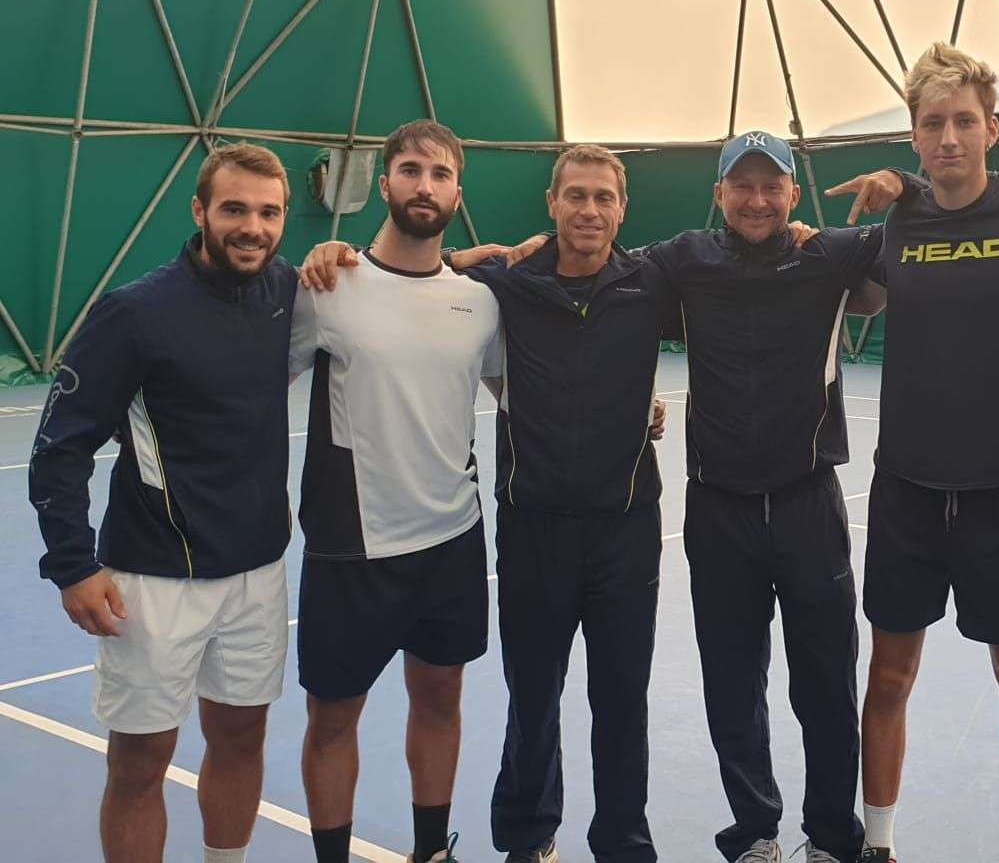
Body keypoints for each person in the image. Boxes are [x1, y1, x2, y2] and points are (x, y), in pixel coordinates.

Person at [498, 130, 890, 863]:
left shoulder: (828, 255)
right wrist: (515, 250)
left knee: (827, 689)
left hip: (810, 504)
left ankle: (833, 836)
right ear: (718, 196)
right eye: (740, 185)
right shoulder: (680, 260)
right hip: (717, 510)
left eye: (770, 185)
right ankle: (754, 833)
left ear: (792, 195)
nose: (756, 198)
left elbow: (921, 245)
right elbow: (591, 270)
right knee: (732, 688)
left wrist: (905, 186)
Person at [300, 143, 673, 863]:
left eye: (603, 197)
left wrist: (642, 406)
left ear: (622, 208)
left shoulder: (650, 281)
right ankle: (528, 836)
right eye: (575, 195)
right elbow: (441, 277)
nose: (588, 209)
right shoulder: (508, 284)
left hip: (625, 530)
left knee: (621, 701)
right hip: (531, 529)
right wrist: (337, 248)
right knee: (532, 699)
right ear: (551, 203)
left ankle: (624, 844)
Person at [828, 42, 999, 863]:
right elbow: (839, 288)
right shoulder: (898, 217)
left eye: (963, 121)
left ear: (991, 129)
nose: (948, 138)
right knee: (890, 676)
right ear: (912, 136)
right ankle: (879, 843)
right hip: (905, 487)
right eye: (932, 124)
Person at [29, 143, 299, 863]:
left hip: (256, 576)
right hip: (152, 579)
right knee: (141, 761)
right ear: (200, 211)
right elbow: (60, 446)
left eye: (269, 212)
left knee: (242, 738)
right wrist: (72, 566)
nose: (252, 226)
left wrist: (479, 259)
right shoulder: (135, 313)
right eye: (235, 208)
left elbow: (385, 275)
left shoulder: (286, 291)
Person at [289, 120, 503, 863]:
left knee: (441, 700)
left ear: (455, 193)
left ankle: (429, 851)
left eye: (439, 174)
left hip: (452, 539)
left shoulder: (478, 302)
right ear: (384, 184)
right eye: (409, 170)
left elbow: (530, 392)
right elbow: (246, 380)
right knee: (332, 718)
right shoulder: (328, 285)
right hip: (353, 545)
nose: (424, 185)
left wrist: (641, 408)